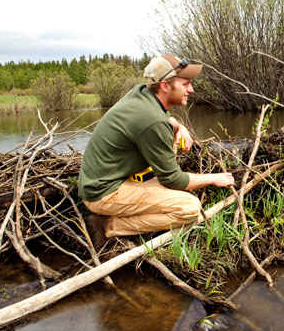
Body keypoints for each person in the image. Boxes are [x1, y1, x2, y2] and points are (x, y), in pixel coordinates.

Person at [78, 55, 235, 247]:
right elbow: (173, 180)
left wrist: (179, 127)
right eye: (185, 84)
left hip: (104, 179)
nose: (191, 90)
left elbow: (162, 119)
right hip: (103, 194)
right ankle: (109, 225)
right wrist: (213, 178)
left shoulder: (142, 94)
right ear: (165, 86)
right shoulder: (152, 121)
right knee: (189, 208)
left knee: (179, 191)